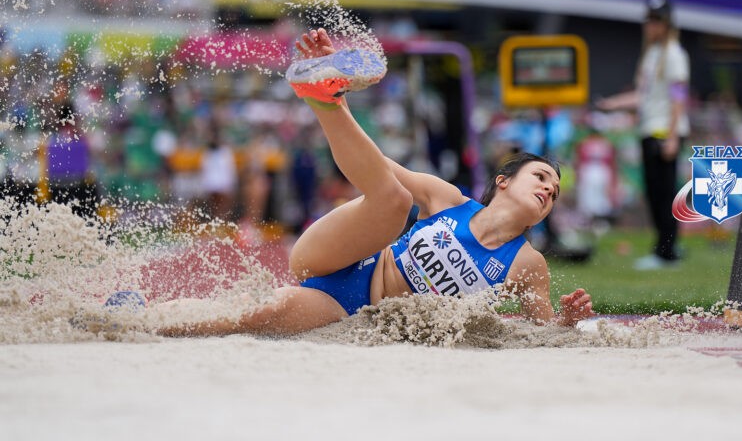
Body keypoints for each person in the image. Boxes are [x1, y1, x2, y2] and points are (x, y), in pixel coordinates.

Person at [158, 28, 594, 336]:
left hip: (348, 307)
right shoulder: (449, 200)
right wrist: (340, 105)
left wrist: (567, 323)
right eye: (540, 177)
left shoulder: (527, 264)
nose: (548, 190)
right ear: (503, 181)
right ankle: (324, 97)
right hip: (347, 259)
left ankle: (143, 317)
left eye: (554, 193)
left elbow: (543, 334)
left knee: (251, 316)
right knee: (394, 197)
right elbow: (375, 166)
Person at [597, 0, 690, 271]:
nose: (651, 25)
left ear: (667, 24)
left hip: (664, 130)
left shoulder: (673, 54)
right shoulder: (652, 55)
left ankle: (667, 252)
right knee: (654, 193)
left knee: (664, 193)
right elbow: (643, 96)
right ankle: (665, 247)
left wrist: (672, 136)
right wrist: (612, 104)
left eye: (657, 20)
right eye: (649, 19)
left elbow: (678, 97)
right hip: (650, 129)